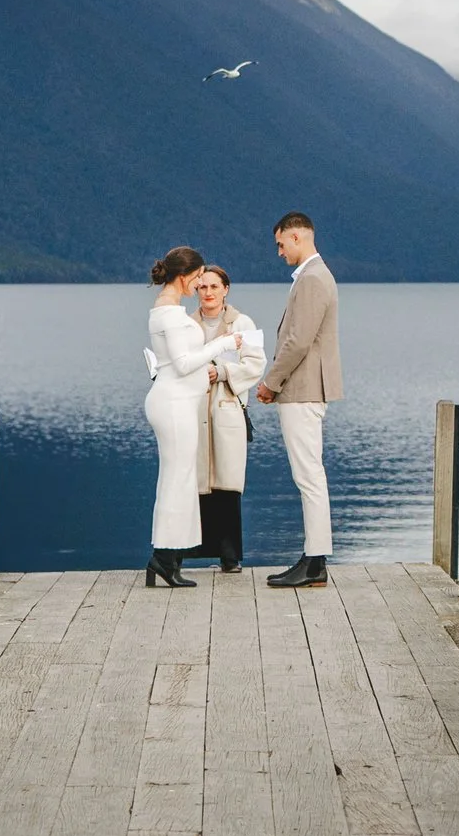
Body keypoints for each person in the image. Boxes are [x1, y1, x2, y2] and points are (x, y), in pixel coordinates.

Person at [144, 245, 241, 588]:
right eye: (198, 277)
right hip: (173, 404)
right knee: (177, 479)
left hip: (179, 402)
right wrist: (223, 344)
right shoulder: (169, 314)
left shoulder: (171, 310)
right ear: (184, 276)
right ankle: (164, 557)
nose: (201, 284)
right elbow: (184, 363)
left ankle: (167, 557)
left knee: (178, 478)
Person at [257, 211, 340, 588]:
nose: (278, 252)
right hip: (305, 389)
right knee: (309, 474)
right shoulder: (314, 276)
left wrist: (271, 383)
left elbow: (298, 341)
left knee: (308, 476)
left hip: (303, 389)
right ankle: (313, 559)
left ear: (297, 237)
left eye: (280, 244)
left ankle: (315, 562)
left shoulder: (311, 278)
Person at [192, 264, 265, 572]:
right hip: (194, 411)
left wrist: (221, 371)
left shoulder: (242, 323)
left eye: (213, 287)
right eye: (202, 287)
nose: (208, 292)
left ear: (225, 289)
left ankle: (229, 556)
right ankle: (190, 551)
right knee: (196, 482)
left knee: (227, 483)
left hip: (227, 409)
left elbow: (255, 364)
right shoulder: (187, 325)